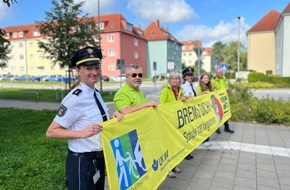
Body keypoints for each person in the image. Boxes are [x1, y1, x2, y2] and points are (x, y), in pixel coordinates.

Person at [46, 46, 123, 190]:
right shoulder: (75, 99)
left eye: (96, 67)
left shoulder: (96, 93)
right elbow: (51, 132)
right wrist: (81, 133)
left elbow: (96, 122)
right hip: (81, 163)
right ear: (78, 70)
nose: (94, 72)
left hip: (98, 160)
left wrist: (112, 118)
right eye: (88, 68)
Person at [159, 72, 187, 178]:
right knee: (168, 145)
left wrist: (183, 99)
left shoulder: (180, 90)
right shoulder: (166, 90)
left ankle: (174, 165)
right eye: (173, 78)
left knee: (175, 144)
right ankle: (168, 169)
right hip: (167, 121)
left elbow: (180, 103)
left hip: (177, 121)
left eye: (177, 79)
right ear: (170, 80)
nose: (175, 80)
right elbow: (162, 105)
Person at [211, 68, 234, 133]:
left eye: (221, 72)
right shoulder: (213, 81)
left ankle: (226, 127)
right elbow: (212, 91)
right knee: (217, 113)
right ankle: (217, 128)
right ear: (216, 73)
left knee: (225, 112)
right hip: (216, 100)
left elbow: (227, 87)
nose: (220, 73)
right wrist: (223, 90)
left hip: (224, 99)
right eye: (218, 72)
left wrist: (227, 89)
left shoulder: (224, 79)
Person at [181, 67, 197, 160]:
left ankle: (189, 150)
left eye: (191, 75)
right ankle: (186, 153)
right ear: (184, 77)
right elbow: (181, 97)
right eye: (188, 75)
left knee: (191, 132)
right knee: (186, 133)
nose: (190, 77)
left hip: (193, 111)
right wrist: (186, 97)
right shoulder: (183, 87)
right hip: (187, 112)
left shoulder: (193, 85)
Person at [196, 73, 213, 147]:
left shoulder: (209, 87)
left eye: (207, 78)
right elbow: (196, 98)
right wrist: (202, 94)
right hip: (202, 109)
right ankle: (205, 140)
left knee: (208, 124)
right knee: (204, 125)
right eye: (204, 78)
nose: (206, 79)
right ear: (201, 79)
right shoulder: (199, 87)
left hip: (208, 108)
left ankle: (206, 139)